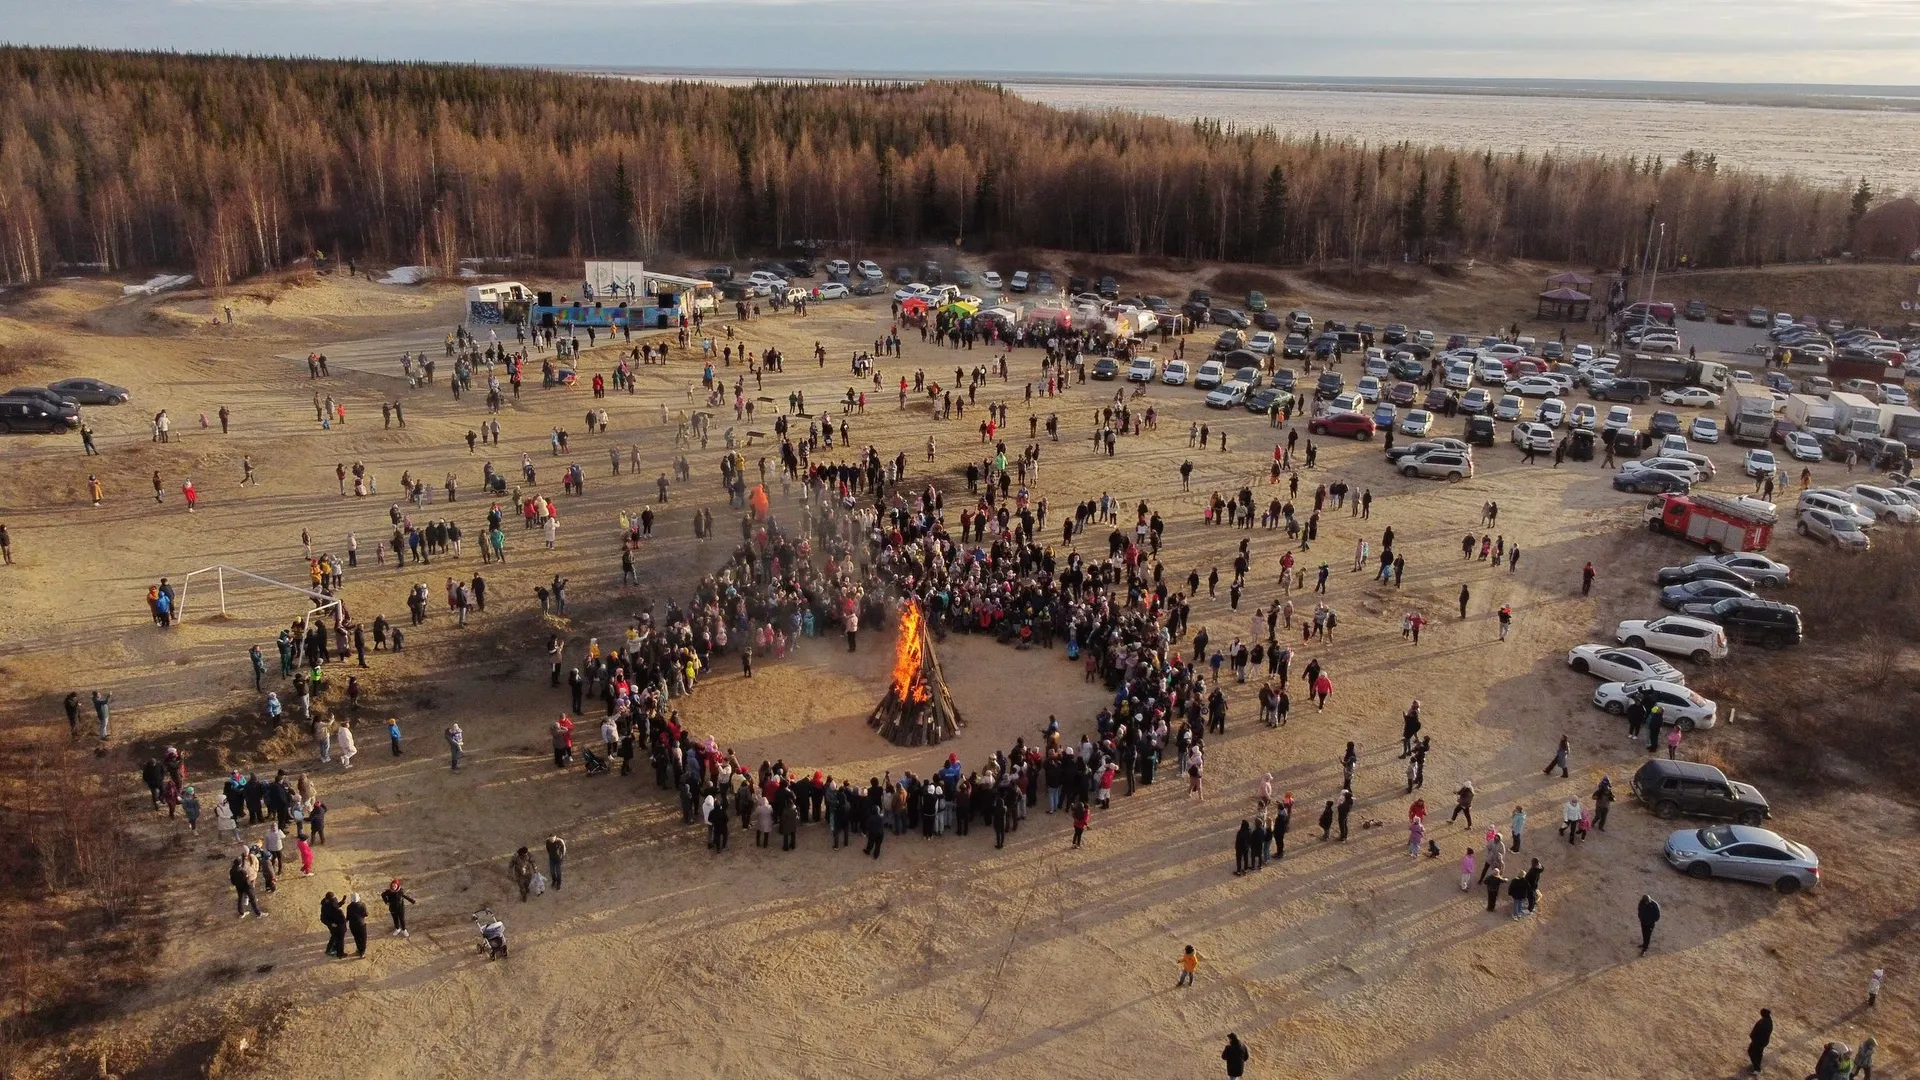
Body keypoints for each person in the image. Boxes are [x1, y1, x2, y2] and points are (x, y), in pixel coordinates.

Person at [1746, 1008, 1772, 1074]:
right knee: (1752, 1052)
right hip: (1758, 1041)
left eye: (1761, 1012)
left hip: (1759, 1043)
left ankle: (1757, 1069)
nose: (1760, 1013)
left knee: (1756, 1054)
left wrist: (1755, 1039)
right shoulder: (1766, 1020)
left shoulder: (1766, 1023)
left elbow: (1761, 1034)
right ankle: (1755, 1065)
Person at [345, 892, 370, 957]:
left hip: (353, 925)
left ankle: (359, 949)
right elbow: (366, 914)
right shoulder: (362, 905)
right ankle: (362, 952)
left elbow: (348, 917)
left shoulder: (349, 907)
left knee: (357, 938)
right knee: (363, 938)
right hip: (361, 924)